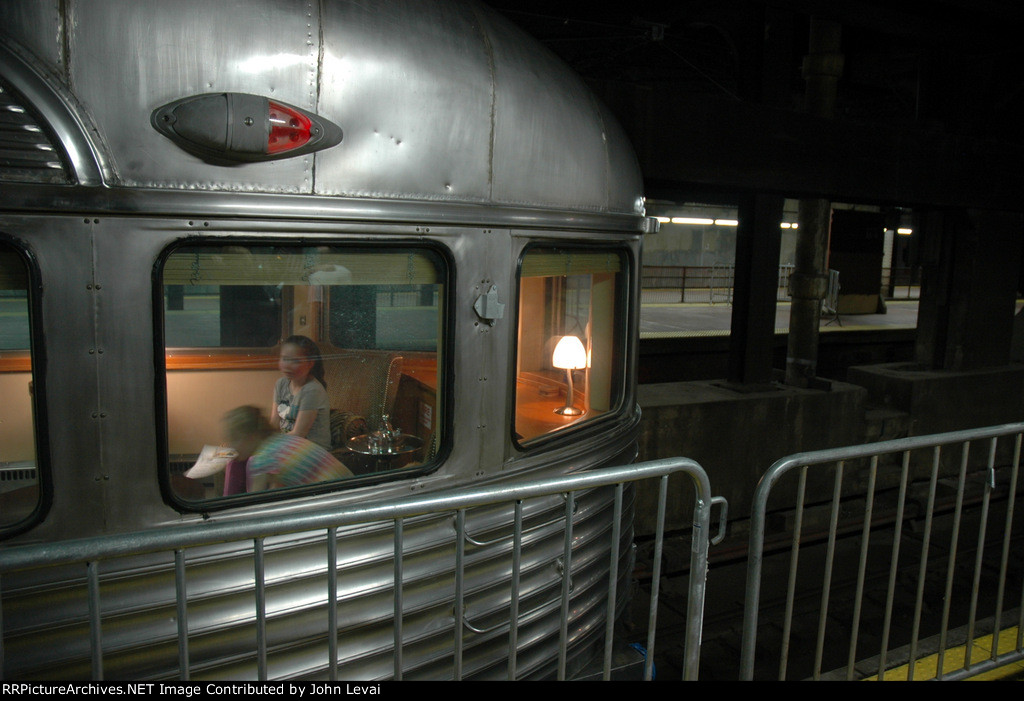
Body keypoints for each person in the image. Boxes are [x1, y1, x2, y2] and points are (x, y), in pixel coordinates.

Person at [221, 406, 352, 494]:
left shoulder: (261, 460)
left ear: (251, 437)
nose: (230, 445)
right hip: (350, 488)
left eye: (234, 440)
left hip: (333, 500)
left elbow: (254, 505)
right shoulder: (280, 440)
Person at [270, 334, 332, 450]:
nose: (287, 366)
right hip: (288, 446)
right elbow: (274, 422)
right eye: (284, 359)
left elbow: (298, 434)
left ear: (310, 363)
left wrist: (270, 446)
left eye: (295, 361)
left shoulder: (312, 390)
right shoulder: (281, 384)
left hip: (312, 450)